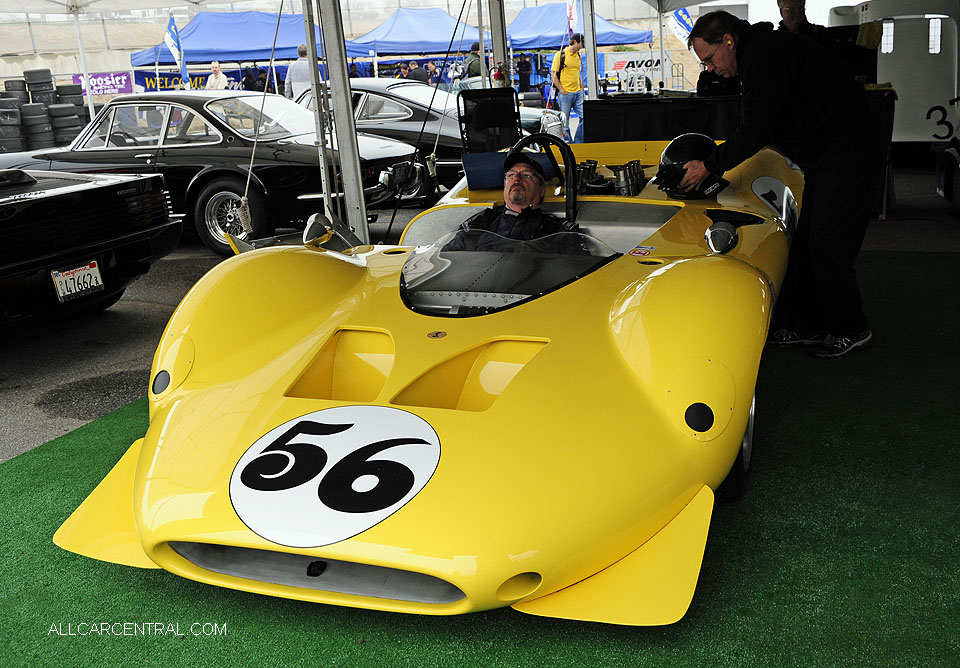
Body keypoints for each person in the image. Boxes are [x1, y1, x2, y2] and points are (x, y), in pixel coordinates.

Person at [680, 10, 884, 358]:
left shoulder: (764, 55)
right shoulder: (757, 53)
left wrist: (709, 167)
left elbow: (755, 129)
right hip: (828, 152)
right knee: (804, 241)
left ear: (728, 40)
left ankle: (851, 328)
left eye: (710, 59)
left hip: (849, 148)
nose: (710, 69)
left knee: (828, 241)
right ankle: (807, 325)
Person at [443, 152, 578, 252]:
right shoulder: (480, 223)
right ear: (505, 185)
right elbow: (447, 261)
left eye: (526, 175)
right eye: (511, 175)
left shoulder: (557, 231)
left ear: (542, 190)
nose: (517, 179)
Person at [551, 33, 585, 144]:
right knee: (565, 123)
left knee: (585, 117)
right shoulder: (560, 55)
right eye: (581, 43)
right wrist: (561, 89)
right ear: (575, 42)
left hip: (577, 92)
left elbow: (577, 72)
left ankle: (578, 143)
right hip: (565, 93)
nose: (582, 46)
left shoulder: (578, 56)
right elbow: (553, 74)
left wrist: (580, 86)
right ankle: (569, 143)